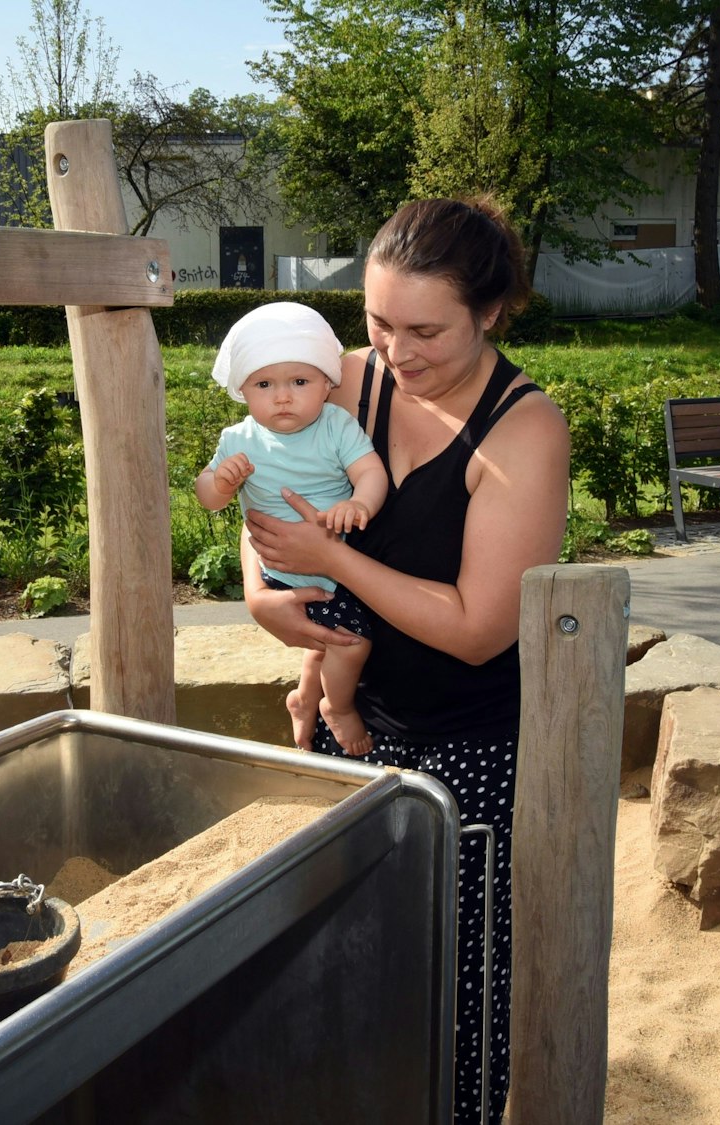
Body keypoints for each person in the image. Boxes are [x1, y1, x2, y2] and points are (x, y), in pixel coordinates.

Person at [242, 198, 568, 1125]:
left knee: (457, 991)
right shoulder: (348, 380)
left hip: (470, 752)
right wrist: (267, 593)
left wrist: (336, 560)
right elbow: (271, 496)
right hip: (350, 730)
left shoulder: (523, 431)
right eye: (378, 320)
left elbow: (477, 627)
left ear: (493, 311)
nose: (395, 350)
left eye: (426, 329)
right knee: (341, 969)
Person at [195, 302, 389, 755]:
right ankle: (336, 707)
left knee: (322, 642)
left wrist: (359, 501)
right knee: (351, 643)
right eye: (265, 385)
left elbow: (371, 471)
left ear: (326, 383)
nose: (282, 397)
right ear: (243, 390)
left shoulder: (336, 426)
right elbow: (207, 495)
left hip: (333, 566)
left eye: (299, 382)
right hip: (280, 571)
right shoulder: (238, 440)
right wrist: (220, 483)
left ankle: (304, 699)